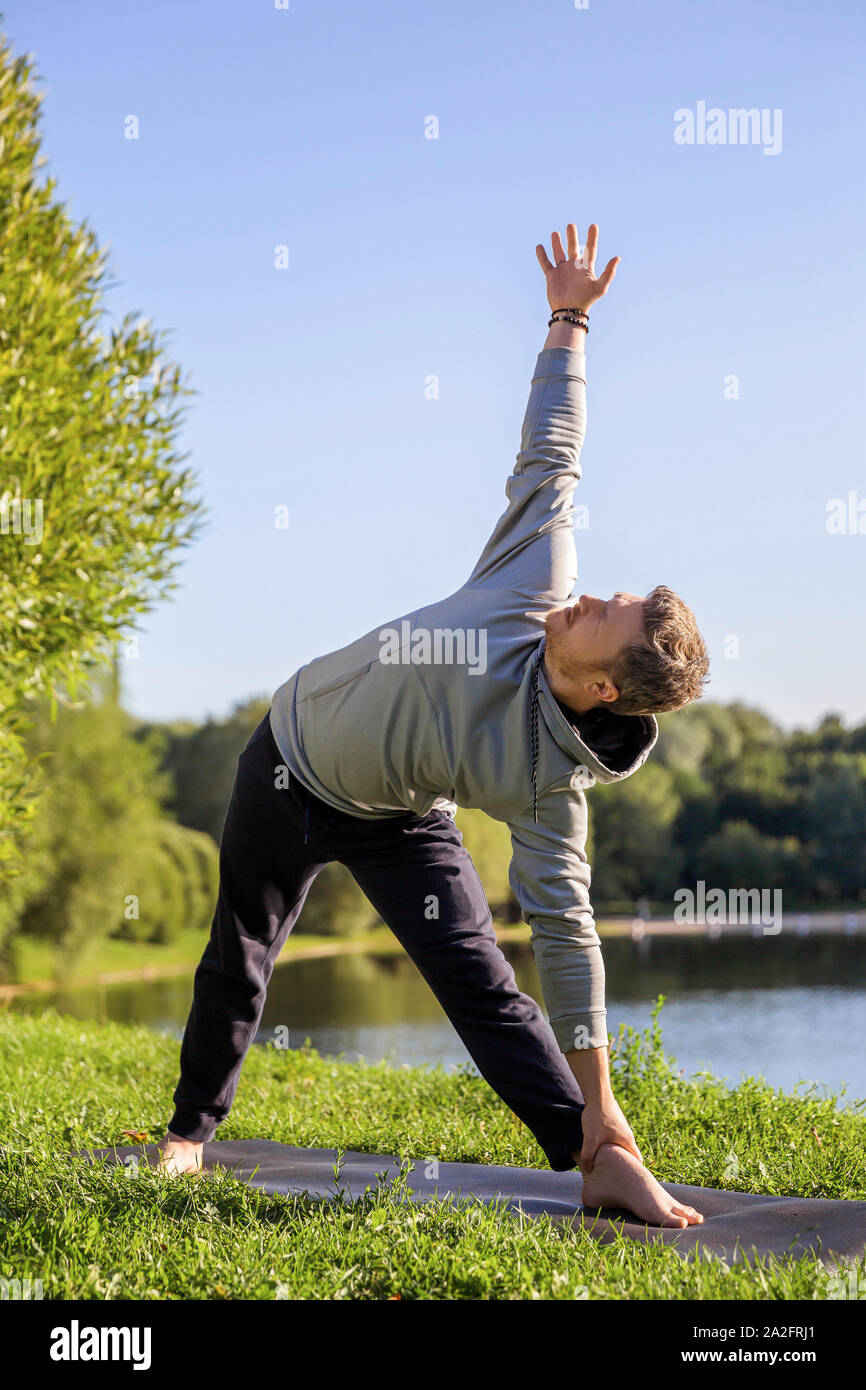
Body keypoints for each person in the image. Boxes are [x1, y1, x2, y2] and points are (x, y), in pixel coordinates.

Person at [158, 220, 709, 1229]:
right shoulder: (532, 577)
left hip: (398, 819)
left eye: (609, 615)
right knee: (240, 951)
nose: (592, 597)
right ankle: (189, 1133)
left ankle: (594, 1158)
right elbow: (552, 443)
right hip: (286, 759)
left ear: (603, 691)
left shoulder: (552, 791)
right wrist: (568, 317)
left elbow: (568, 941)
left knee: (483, 989)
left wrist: (607, 1105)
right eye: (611, 593)